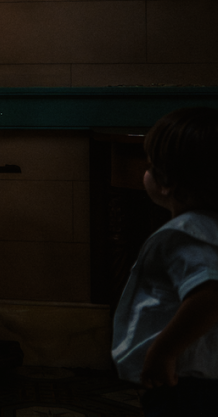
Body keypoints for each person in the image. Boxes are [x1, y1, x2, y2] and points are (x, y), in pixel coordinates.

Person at [111, 107, 218, 417]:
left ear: (166, 181)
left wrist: (164, 352)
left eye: (150, 164)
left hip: (185, 381)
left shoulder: (186, 235)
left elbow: (210, 294)